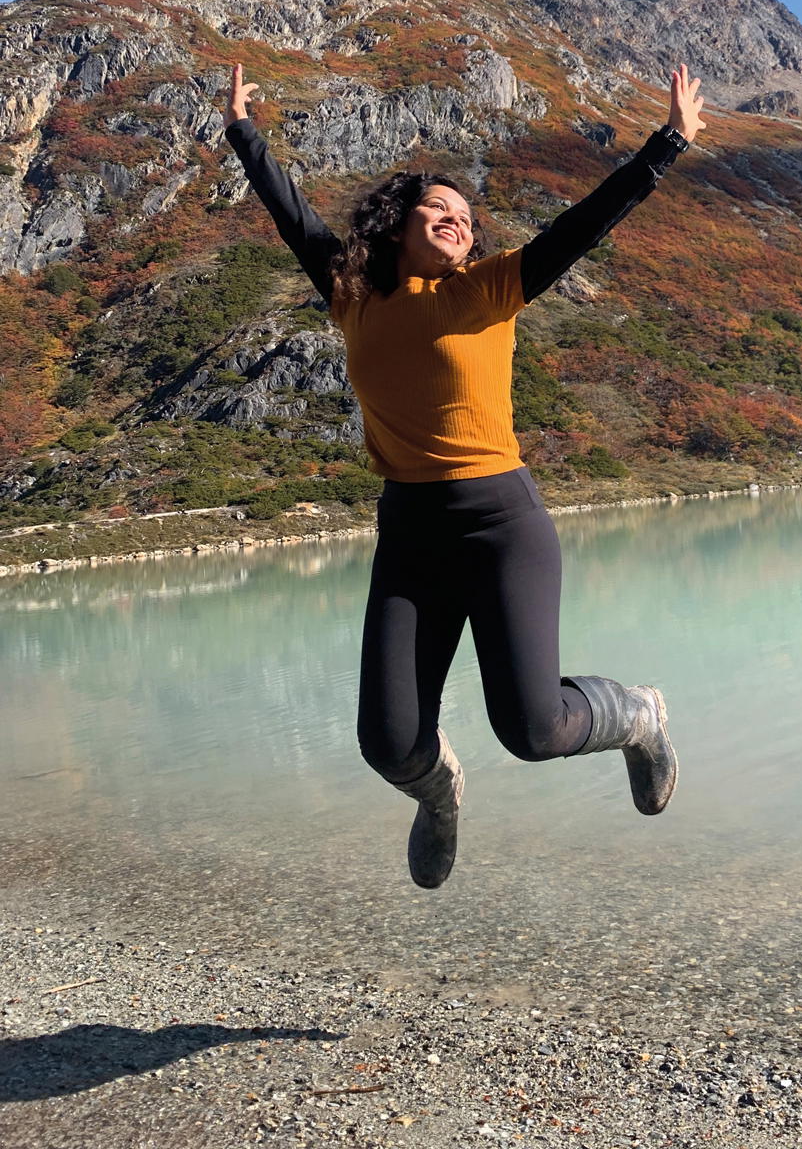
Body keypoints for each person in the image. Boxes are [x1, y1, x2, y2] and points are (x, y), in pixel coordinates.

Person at [221, 57, 706, 887]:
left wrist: (664, 146)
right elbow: (293, 218)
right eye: (437, 208)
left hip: (501, 527)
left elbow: (580, 227)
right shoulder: (354, 296)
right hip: (410, 536)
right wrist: (242, 133)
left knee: (533, 728)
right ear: (398, 222)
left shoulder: (488, 289)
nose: (455, 220)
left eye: (465, 216)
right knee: (388, 743)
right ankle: (440, 795)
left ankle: (639, 715)